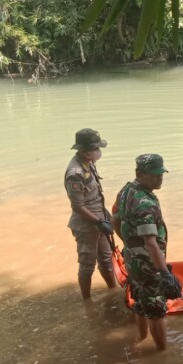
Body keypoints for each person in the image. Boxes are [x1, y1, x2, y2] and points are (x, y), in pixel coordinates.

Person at [113, 154, 182, 350]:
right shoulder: (145, 203)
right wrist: (165, 274)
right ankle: (162, 354)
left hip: (132, 259)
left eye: (161, 174)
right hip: (148, 265)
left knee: (140, 301)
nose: (159, 179)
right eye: (154, 175)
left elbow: (116, 220)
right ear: (140, 174)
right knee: (156, 309)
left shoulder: (126, 191)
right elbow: (151, 242)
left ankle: (141, 339)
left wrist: (129, 244)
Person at [64, 128, 116, 300]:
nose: (99, 152)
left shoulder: (88, 163)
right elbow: (78, 206)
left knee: (107, 259)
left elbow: (95, 195)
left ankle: (113, 292)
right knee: (87, 265)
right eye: (96, 149)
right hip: (87, 225)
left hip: (99, 219)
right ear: (86, 151)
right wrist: (98, 222)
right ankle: (87, 302)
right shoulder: (75, 174)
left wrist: (104, 217)